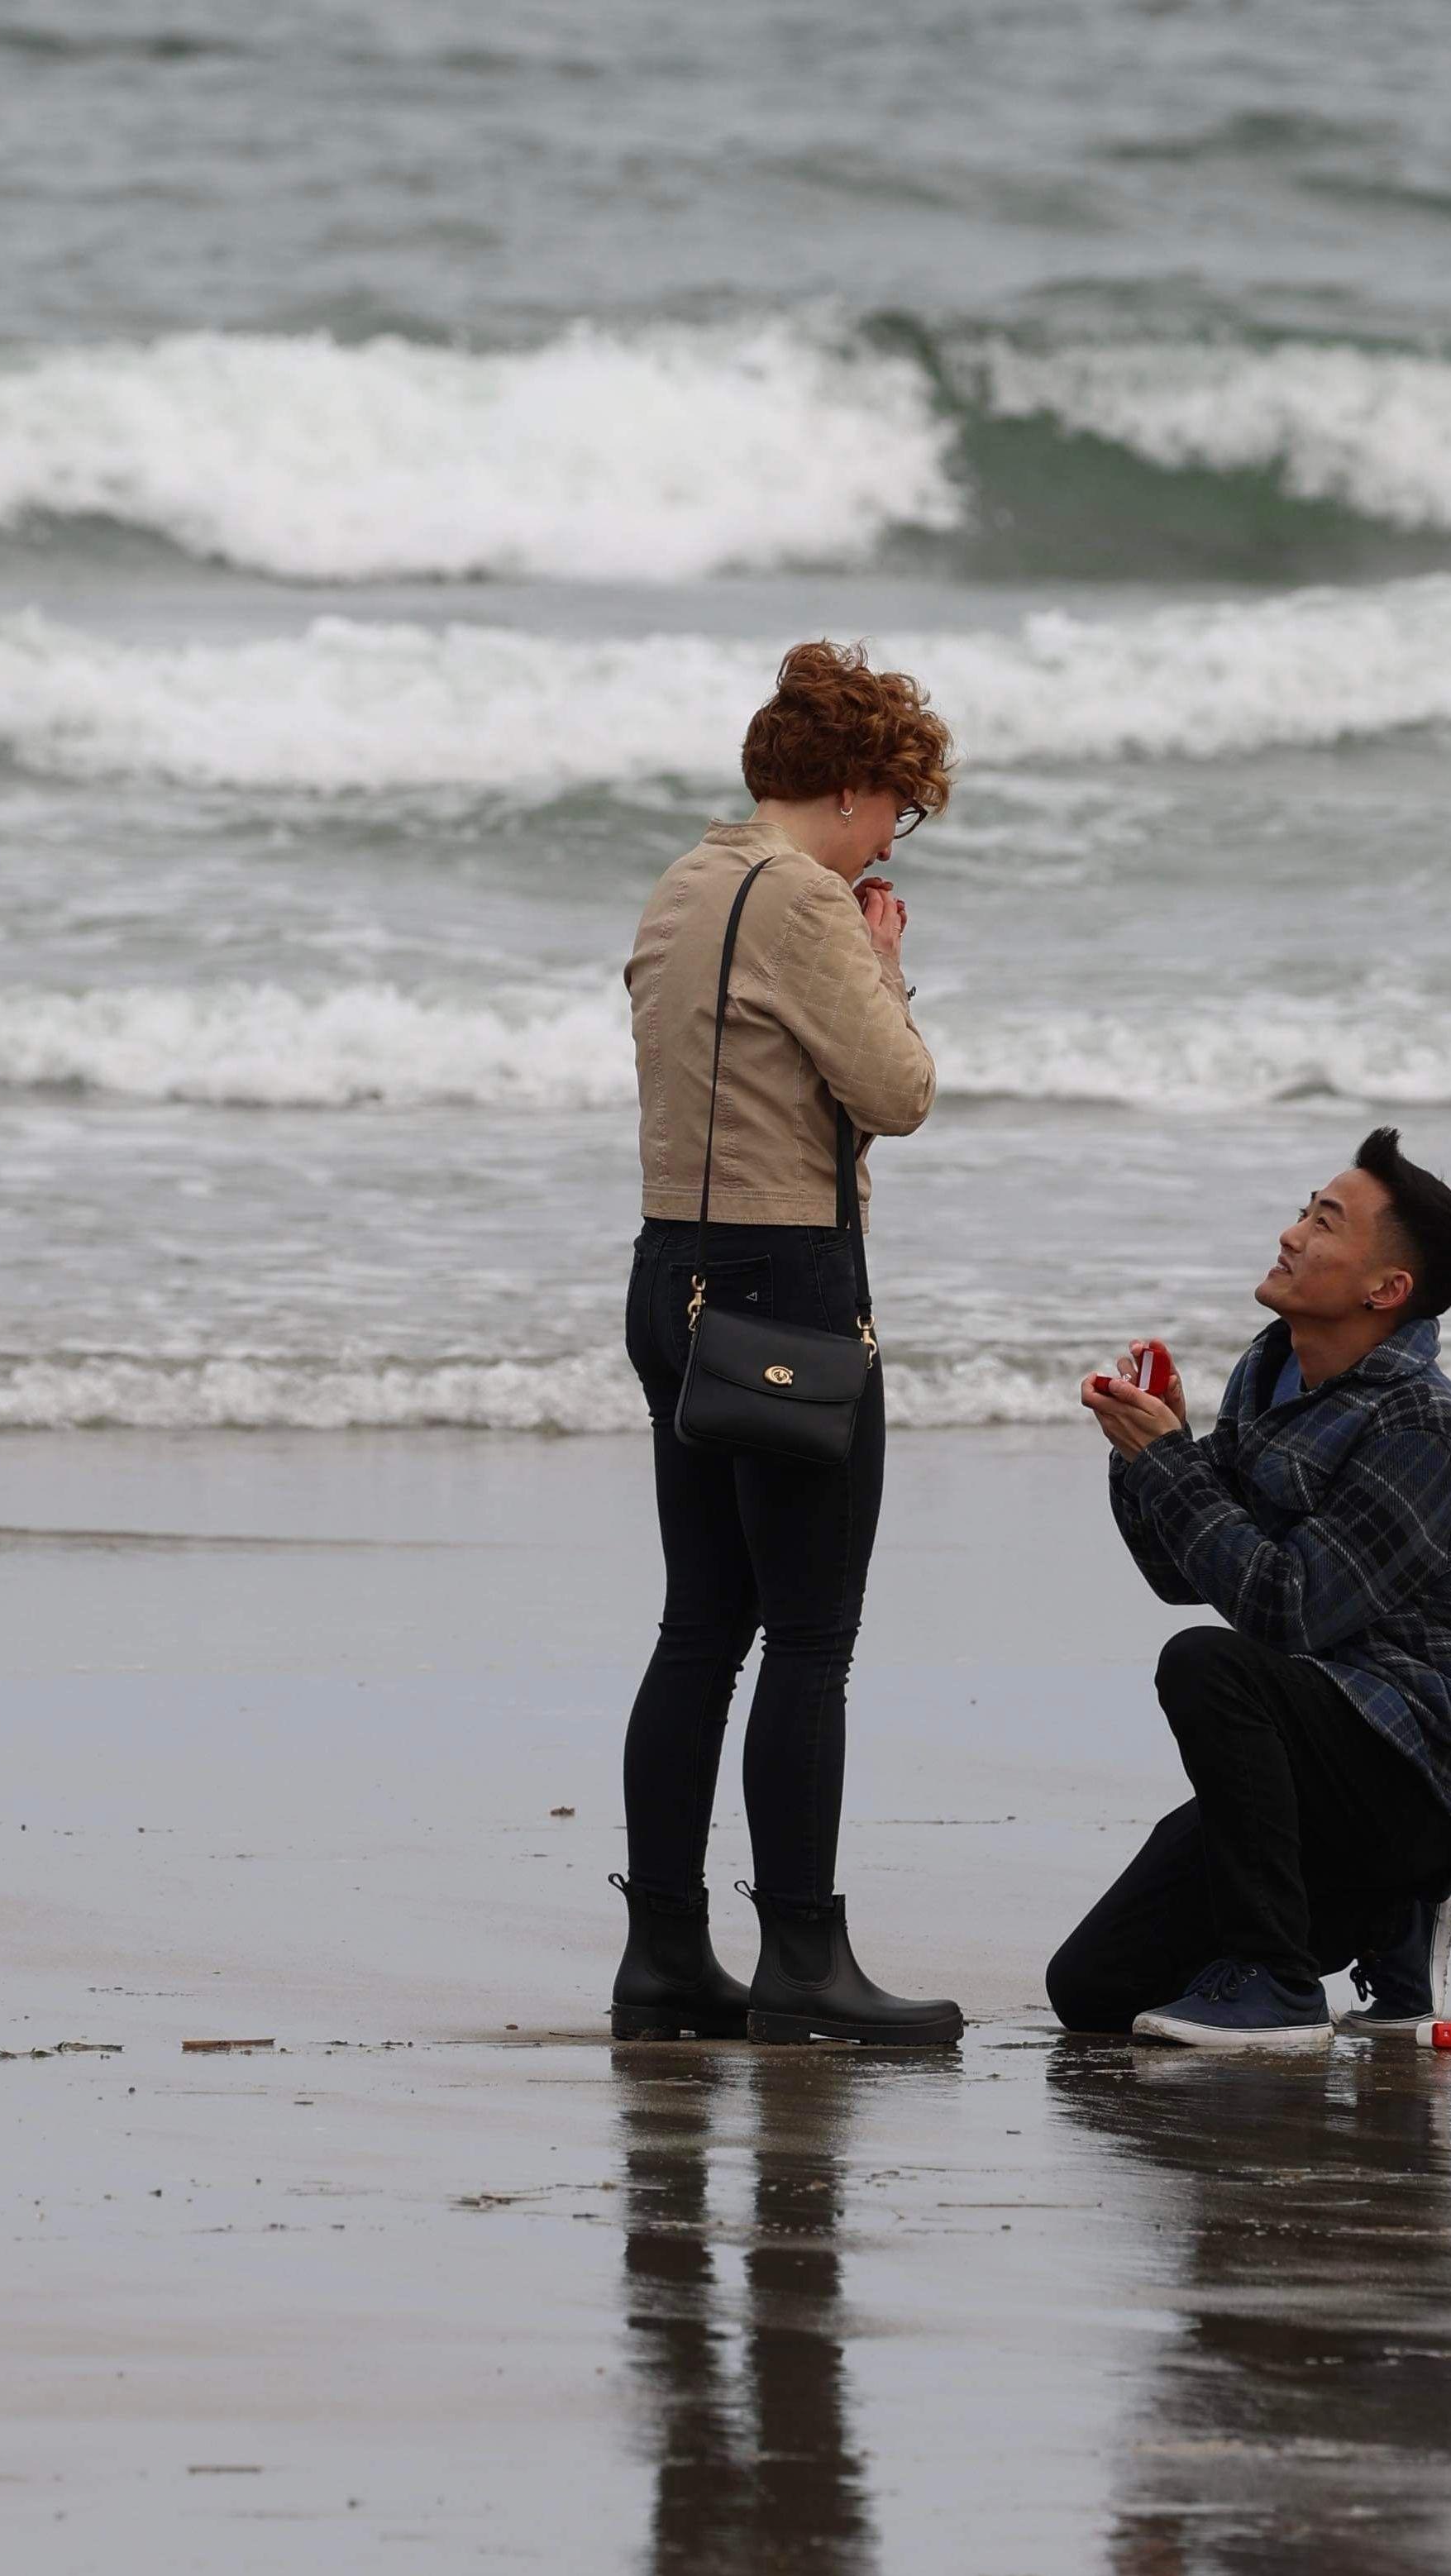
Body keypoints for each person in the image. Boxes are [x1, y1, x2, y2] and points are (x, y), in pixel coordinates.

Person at [609, 641, 964, 2048]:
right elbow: (898, 1091)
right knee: (810, 1634)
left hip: (667, 1273)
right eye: (900, 808)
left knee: (701, 1621)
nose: (894, 836)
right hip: (788, 1288)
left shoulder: (684, 884)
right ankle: (805, 1960)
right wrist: (885, 968)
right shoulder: (809, 901)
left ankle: (663, 1955)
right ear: (856, 786)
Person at [1049, 1129, 1451, 2051]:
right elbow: (1179, 1571)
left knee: (1209, 1665)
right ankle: (1383, 1923)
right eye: (1306, 1209)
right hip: (1311, 1766)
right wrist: (1148, 1449)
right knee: (1092, 1990)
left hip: (1421, 1761)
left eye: (1324, 1221)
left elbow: (1286, 1607)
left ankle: (1280, 1983)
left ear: (1385, 1289)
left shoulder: (1416, 1417)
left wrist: (1171, 1464)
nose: (1292, 1233)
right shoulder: (1272, 1374)